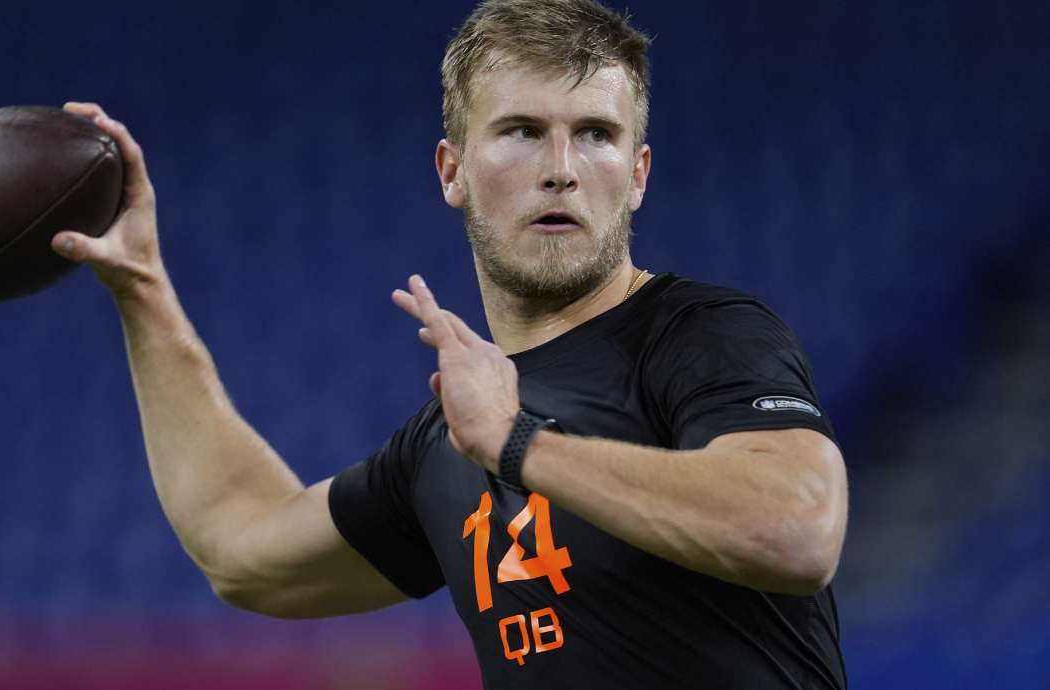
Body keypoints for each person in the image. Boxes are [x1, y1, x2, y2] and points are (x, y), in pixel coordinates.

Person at [52, 0, 849, 687]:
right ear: (452, 170)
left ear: (638, 174)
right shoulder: (446, 446)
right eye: (523, 132)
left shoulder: (700, 335)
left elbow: (796, 526)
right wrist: (142, 287)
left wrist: (516, 443)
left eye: (597, 135)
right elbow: (244, 545)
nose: (563, 169)